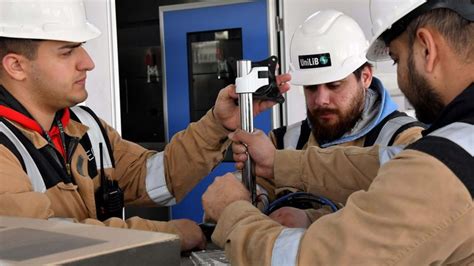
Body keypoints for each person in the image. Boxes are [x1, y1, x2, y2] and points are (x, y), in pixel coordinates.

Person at [0, 0, 289, 252]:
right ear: (16, 66)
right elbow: (44, 240)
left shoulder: (84, 127)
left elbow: (152, 177)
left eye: (82, 48)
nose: (87, 63)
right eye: (67, 52)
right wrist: (170, 234)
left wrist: (216, 124)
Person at [203, 0, 473, 264]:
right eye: (311, 88)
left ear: (427, 48)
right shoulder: (455, 143)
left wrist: (233, 214)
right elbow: (374, 164)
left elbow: (317, 259)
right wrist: (276, 163)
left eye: (396, 59)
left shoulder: (442, 160)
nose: (321, 100)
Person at [258, 10, 425, 228]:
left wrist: (311, 220)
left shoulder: (407, 140)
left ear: (365, 77)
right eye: (311, 87)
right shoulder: (283, 142)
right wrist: (252, 196)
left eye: (334, 85)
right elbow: (254, 189)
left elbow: (402, 222)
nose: (321, 100)